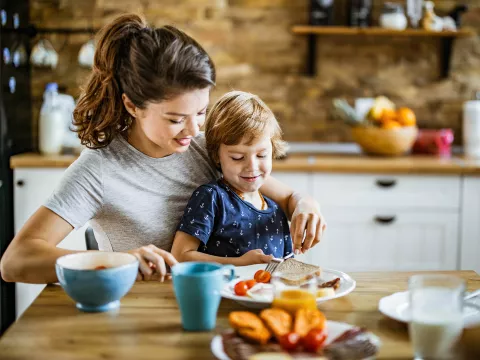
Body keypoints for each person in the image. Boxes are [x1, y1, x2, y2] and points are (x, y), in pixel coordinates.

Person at [0, 14, 326, 284]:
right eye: (175, 119)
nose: (195, 129)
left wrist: (306, 205)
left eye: (201, 112)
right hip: (144, 313)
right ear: (132, 105)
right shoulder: (99, 170)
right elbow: (16, 260)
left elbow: (286, 196)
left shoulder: (201, 145)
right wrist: (118, 260)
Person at [172, 91, 293, 265]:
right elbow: (180, 255)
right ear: (216, 157)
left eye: (262, 155)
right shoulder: (211, 198)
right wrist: (239, 263)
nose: (251, 166)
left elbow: (288, 269)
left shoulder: (276, 210)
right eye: (237, 157)